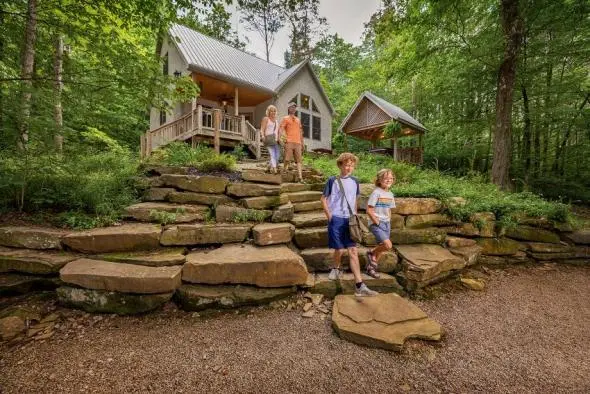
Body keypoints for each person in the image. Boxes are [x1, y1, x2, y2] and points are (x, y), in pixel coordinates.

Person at [320, 152, 378, 297]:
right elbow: (323, 199)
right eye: (346, 165)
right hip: (336, 218)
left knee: (352, 250)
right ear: (340, 165)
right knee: (339, 250)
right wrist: (330, 216)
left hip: (350, 219)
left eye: (351, 165)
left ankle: (360, 285)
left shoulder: (355, 181)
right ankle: (335, 267)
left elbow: (354, 200)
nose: (349, 168)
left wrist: (355, 216)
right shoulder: (332, 180)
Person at [365, 169, 396, 278]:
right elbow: (369, 210)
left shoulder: (390, 194)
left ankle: (371, 269)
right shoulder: (376, 192)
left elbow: (389, 209)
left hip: (386, 223)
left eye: (391, 178)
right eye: (386, 178)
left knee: (381, 246)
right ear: (379, 180)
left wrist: (388, 221)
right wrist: (377, 222)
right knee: (388, 245)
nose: (389, 180)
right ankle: (371, 252)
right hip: (376, 223)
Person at [279, 102, 304, 182]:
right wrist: (280, 138)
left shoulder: (298, 120)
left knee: (299, 160)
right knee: (287, 159)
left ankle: (300, 177)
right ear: (288, 109)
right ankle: (285, 169)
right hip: (289, 141)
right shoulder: (285, 118)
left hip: (298, 143)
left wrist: (302, 142)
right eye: (291, 107)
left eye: (294, 107)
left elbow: (300, 132)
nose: (293, 108)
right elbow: (281, 129)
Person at [260, 105, 280, 174]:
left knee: (277, 155)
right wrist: (262, 136)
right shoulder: (266, 119)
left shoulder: (277, 121)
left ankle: (268, 168)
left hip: (275, 140)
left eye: (274, 111)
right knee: (272, 154)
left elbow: (277, 131)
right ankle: (274, 169)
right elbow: (262, 129)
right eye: (271, 111)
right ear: (268, 112)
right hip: (268, 139)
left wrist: (279, 139)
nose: (273, 112)